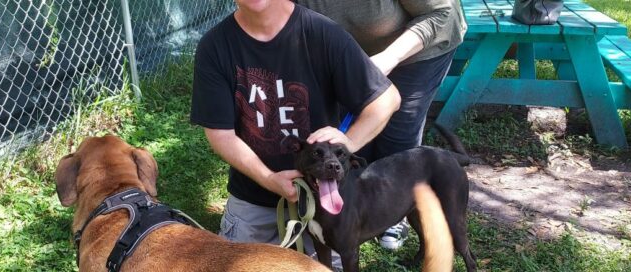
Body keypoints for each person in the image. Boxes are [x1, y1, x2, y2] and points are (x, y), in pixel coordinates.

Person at [190, 0, 400, 261]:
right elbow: (220, 134)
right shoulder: (215, 46)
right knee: (233, 265)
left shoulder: (323, 34)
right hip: (254, 197)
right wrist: (268, 178)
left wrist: (348, 142)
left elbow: (386, 99)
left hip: (324, 198)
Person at [296, 0, 467, 250]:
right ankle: (348, 215)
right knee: (352, 140)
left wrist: (390, 57)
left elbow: (442, 13)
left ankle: (395, 213)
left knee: (398, 135)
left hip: (419, 48)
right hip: (347, 57)